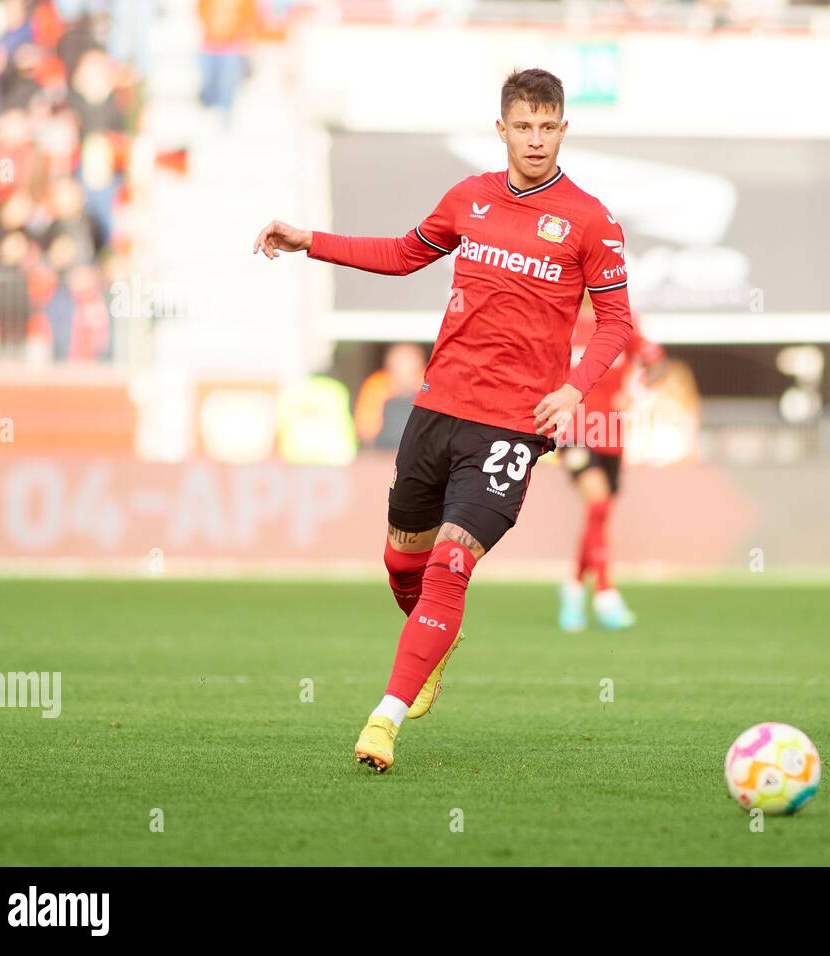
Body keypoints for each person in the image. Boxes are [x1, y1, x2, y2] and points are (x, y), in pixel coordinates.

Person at [252, 68, 632, 772]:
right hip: (438, 409)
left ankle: (383, 720)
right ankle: (432, 645)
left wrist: (576, 389)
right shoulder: (470, 198)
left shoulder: (590, 219)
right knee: (403, 561)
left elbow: (615, 321)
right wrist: (310, 240)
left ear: (563, 130)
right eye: (524, 125)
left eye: (549, 126)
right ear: (503, 129)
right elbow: (401, 256)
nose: (537, 139)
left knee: (452, 561)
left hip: (515, 425)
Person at [558, 303, 666, 633]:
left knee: (598, 513)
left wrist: (636, 394)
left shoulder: (622, 321)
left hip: (610, 433)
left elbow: (658, 364)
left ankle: (574, 588)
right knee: (599, 502)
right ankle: (605, 592)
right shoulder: (563, 315)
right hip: (574, 429)